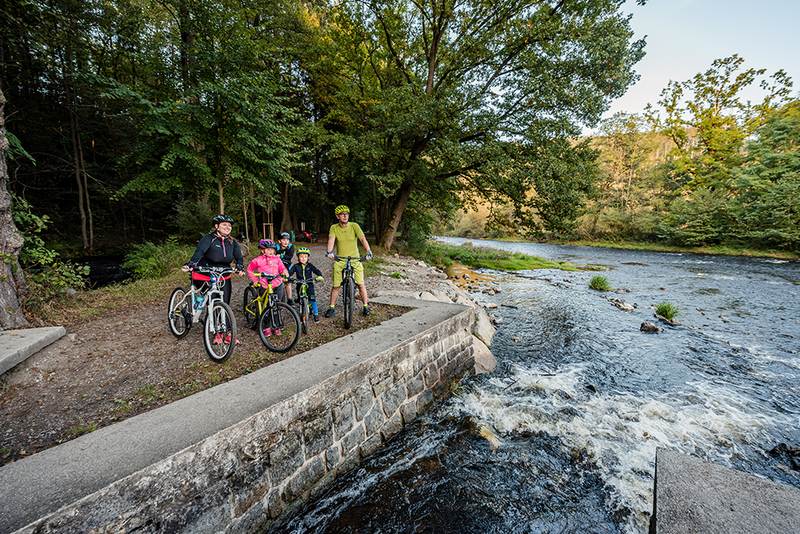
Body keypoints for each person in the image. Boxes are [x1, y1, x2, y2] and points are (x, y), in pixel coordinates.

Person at [182, 214, 244, 344]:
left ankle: (228, 333)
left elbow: (238, 257)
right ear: (216, 226)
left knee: (224, 302)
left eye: (229, 225)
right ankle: (217, 332)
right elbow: (199, 252)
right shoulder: (208, 239)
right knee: (214, 301)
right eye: (224, 225)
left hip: (223, 275)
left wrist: (239, 267)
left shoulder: (232, 242)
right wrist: (191, 264)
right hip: (205, 273)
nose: (227, 227)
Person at [325, 205, 373, 318]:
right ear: (337, 216)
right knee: (336, 285)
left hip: (355, 259)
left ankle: (365, 306)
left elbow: (362, 239)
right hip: (340, 259)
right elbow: (331, 240)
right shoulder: (334, 228)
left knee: (360, 284)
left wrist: (368, 251)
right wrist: (329, 252)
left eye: (346, 214)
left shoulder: (354, 226)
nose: (345, 216)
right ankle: (331, 307)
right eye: (342, 214)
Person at [246, 239, 288, 337]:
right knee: (267, 306)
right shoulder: (257, 260)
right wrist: (255, 280)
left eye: (272, 249)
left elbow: (282, 269)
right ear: (262, 250)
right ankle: (266, 326)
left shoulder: (277, 259)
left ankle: (276, 325)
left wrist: (285, 274)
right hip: (264, 284)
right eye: (268, 249)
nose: (271, 251)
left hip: (277, 283)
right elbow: (250, 270)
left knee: (276, 305)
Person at [288, 247, 324, 322]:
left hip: (309, 283)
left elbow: (316, 270)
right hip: (300, 284)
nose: (303, 258)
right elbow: (290, 273)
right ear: (298, 257)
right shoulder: (296, 266)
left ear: (308, 258)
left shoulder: (310, 265)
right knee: (300, 298)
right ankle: (302, 311)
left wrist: (320, 276)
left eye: (305, 256)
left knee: (312, 299)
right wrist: (288, 277)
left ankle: (316, 314)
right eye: (301, 256)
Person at [277, 231, 295, 302]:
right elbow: (274, 254)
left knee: (288, 281)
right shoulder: (276, 246)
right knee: (277, 280)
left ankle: (290, 299)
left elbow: (289, 256)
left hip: (287, 264)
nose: (286, 242)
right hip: (277, 265)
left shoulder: (291, 246)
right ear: (279, 241)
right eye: (283, 240)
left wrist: (280, 256)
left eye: (287, 240)